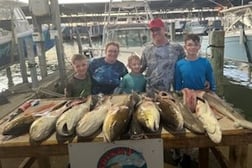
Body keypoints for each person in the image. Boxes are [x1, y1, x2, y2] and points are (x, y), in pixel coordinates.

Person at [140, 18, 185, 96]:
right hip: (151, 92)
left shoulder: (177, 48)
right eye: (153, 31)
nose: (155, 33)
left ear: (164, 29)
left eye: (158, 30)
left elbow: (185, 68)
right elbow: (140, 69)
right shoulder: (147, 49)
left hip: (171, 92)